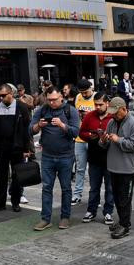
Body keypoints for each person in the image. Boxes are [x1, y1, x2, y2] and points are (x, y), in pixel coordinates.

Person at [30, 85, 80, 230]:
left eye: (54, 100)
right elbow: (30, 130)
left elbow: (76, 132)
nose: (51, 103)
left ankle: (65, 217)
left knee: (66, 188)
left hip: (66, 156)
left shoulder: (70, 111)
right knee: (46, 188)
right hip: (47, 157)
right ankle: (45, 218)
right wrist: (38, 126)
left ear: (61, 97)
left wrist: (62, 125)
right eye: (49, 100)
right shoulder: (42, 110)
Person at [0, 83, 34, 214]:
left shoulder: (21, 107)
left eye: (4, 95)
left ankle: (15, 201)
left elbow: (26, 129)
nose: (1, 98)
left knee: (17, 175)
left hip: (17, 146)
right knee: (1, 175)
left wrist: (26, 149)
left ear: (11, 94)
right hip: (1, 146)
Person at [104, 96, 134, 238]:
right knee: (117, 197)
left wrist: (119, 140)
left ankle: (125, 225)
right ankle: (122, 221)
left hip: (127, 168)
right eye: (112, 112)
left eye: (116, 112)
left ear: (124, 109)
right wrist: (104, 140)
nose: (113, 115)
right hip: (113, 166)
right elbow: (105, 145)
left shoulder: (133, 122)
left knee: (125, 198)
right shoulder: (112, 122)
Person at [80, 93, 114, 224]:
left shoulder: (112, 117)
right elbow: (81, 133)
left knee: (110, 187)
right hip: (94, 157)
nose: (98, 107)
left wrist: (108, 137)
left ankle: (108, 212)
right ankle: (91, 211)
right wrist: (90, 135)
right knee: (94, 187)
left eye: (100, 104)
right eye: (96, 104)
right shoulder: (90, 116)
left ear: (107, 103)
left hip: (110, 158)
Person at [70, 78, 96, 205]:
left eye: (86, 92)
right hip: (80, 138)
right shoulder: (78, 97)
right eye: (82, 92)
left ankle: (94, 195)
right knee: (80, 168)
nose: (84, 94)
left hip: (93, 138)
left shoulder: (97, 97)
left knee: (94, 169)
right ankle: (77, 194)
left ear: (91, 88)